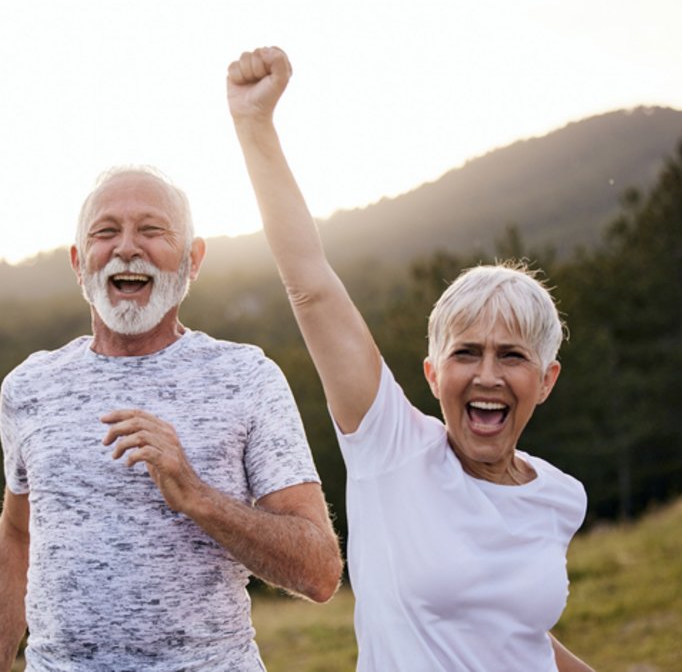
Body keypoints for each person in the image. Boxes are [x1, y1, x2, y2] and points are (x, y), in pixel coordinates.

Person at [227, 46, 594, 672]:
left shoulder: (561, 496)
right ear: (432, 373)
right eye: (466, 353)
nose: (487, 375)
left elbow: (514, 633)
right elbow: (311, 288)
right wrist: (254, 125)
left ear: (546, 379)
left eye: (511, 356)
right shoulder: (391, 451)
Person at [0, 165, 342, 672]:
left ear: (193, 260)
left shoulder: (246, 377)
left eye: (152, 230)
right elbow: (18, 534)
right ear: (79, 263)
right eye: (106, 232)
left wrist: (195, 495)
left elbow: (319, 572)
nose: (127, 248)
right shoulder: (28, 387)